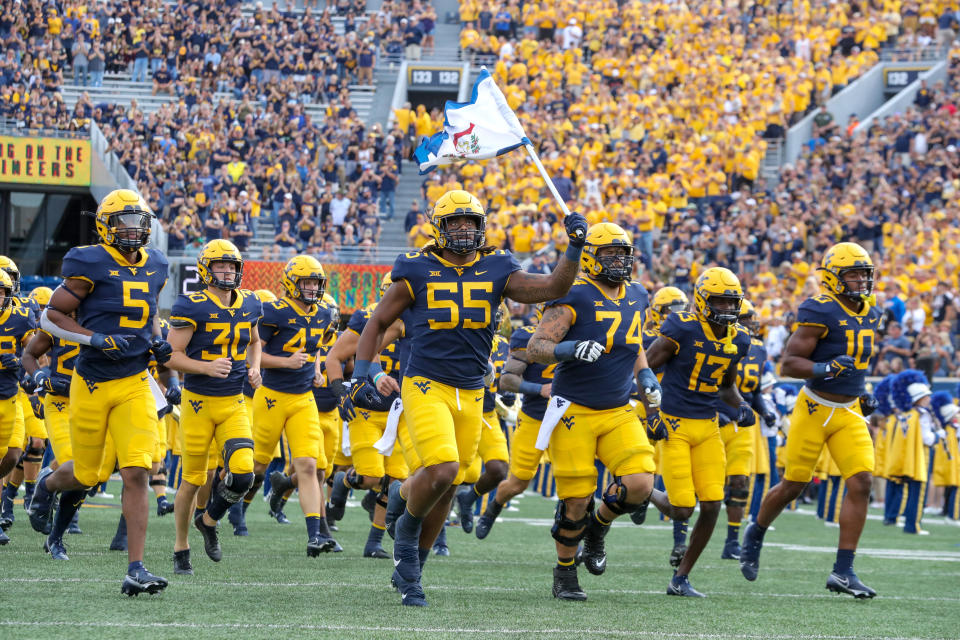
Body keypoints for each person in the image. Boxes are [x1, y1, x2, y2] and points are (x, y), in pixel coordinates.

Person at [355, 189, 587, 606]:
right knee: (442, 469)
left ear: (482, 227)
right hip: (426, 382)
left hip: (472, 388)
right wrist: (359, 375)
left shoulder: (498, 267)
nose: (463, 229)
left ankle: (412, 567)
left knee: (451, 483)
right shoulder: (417, 267)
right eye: (454, 221)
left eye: (470, 222)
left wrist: (573, 247)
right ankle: (406, 535)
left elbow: (553, 284)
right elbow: (378, 321)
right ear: (438, 227)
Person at [31, 189, 171, 595]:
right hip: (91, 382)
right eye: (125, 222)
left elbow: (150, 313)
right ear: (106, 226)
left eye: (139, 222)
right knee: (87, 474)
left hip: (134, 381)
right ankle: (47, 485)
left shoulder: (156, 264)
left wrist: (157, 342)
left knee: (136, 470)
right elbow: (51, 315)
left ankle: (136, 567)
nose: (134, 230)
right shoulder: (87, 260)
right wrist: (94, 339)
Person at [525, 222, 662, 601]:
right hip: (573, 410)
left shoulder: (637, 294)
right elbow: (536, 347)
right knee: (576, 499)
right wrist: (569, 349)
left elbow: (632, 343)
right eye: (609, 254)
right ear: (590, 256)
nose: (619, 261)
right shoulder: (574, 296)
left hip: (617, 408)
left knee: (640, 484)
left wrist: (646, 373)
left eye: (623, 253)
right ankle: (565, 573)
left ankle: (599, 528)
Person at [740, 242, 882, 599]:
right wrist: (825, 368)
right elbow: (789, 364)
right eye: (853, 274)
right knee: (793, 485)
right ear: (833, 277)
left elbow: (857, 359)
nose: (860, 281)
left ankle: (844, 571)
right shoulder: (819, 309)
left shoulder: (870, 312)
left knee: (862, 481)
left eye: (864, 274)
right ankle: (755, 532)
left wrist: (860, 389)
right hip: (815, 407)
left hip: (849, 410)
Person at [644, 267, 753, 597]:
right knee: (681, 508)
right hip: (674, 422)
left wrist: (742, 405)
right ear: (703, 300)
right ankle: (641, 488)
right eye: (720, 300)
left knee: (712, 504)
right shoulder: (682, 327)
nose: (728, 308)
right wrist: (651, 412)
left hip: (708, 426)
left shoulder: (739, 339)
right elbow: (645, 367)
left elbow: (727, 387)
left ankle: (681, 577)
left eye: (732, 302)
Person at [165, 240, 263, 574]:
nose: (228, 271)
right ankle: (181, 547)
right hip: (197, 403)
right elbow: (170, 354)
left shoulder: (250, 301)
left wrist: (256, 366)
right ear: (206, 269)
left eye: (232, 266)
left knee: (244, 473)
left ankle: (208, 521)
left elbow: (256, 340)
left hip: (234, 401)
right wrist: (205, 367)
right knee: (193, 479)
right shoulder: (191, 304)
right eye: (221, 266)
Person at [251, 255, 339, 557]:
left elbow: (315, 347)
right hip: (272, 395)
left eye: (316, 282)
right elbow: (255, 355)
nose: (313, 288)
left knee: (309, 465)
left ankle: (315, 535)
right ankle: (219, 509)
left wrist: (315, 369)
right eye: (307, 282)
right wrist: (286, 362)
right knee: (256, 467)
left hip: (303, 398)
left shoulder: (324, 314)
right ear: (291, 283)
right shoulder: (273, 312)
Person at [473, 304, 552, 540]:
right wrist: (539, 389)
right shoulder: (527, 336)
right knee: (517, 483)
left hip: (571, 417)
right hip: (534, 418)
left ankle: (573, 537)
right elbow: (507, 380)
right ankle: (492, 509)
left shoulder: (581, 333)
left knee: (576, 482)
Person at [716, 300, 776, 560]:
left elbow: (753, 391)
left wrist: (765, 411)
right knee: (706, 487)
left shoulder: (760, 350)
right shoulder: (717, 342)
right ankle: (681, 537)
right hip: (714, 421)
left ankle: (732, 540)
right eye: (748, 318)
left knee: (740, 483)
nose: (753, 323)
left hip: (744, 424)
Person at [0, 270, 34, 547]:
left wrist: (22, 364)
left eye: (2, 291)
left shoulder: (20, 317)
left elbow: (35, 354)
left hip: (10, 395)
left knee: (12, 455)